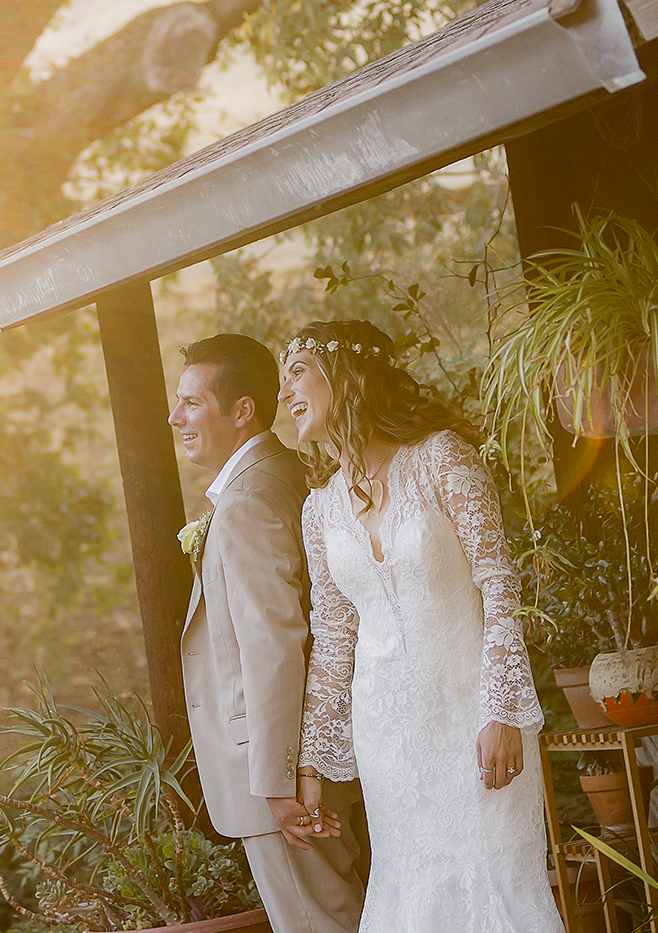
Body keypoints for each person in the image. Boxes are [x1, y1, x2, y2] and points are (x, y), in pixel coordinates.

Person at [277, 319, 563, 933]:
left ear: (346, 375)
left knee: (496, 884)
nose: (285, 392)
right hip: (388, 740)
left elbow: (499, 583)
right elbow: (334, 638)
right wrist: (311, 766)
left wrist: (502, 709)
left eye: (297, 372)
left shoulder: (441, 459)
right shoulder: (319, 509)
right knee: (412, 894)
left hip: (472, 719)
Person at [169, 333, 366, 933]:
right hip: (327, 749)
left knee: (320, 923)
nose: (176, 418)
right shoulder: (290, 474)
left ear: (243, 410)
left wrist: (280, 780)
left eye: (192, 403)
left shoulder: (247, 502)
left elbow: (275, 645)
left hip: (283, 771)